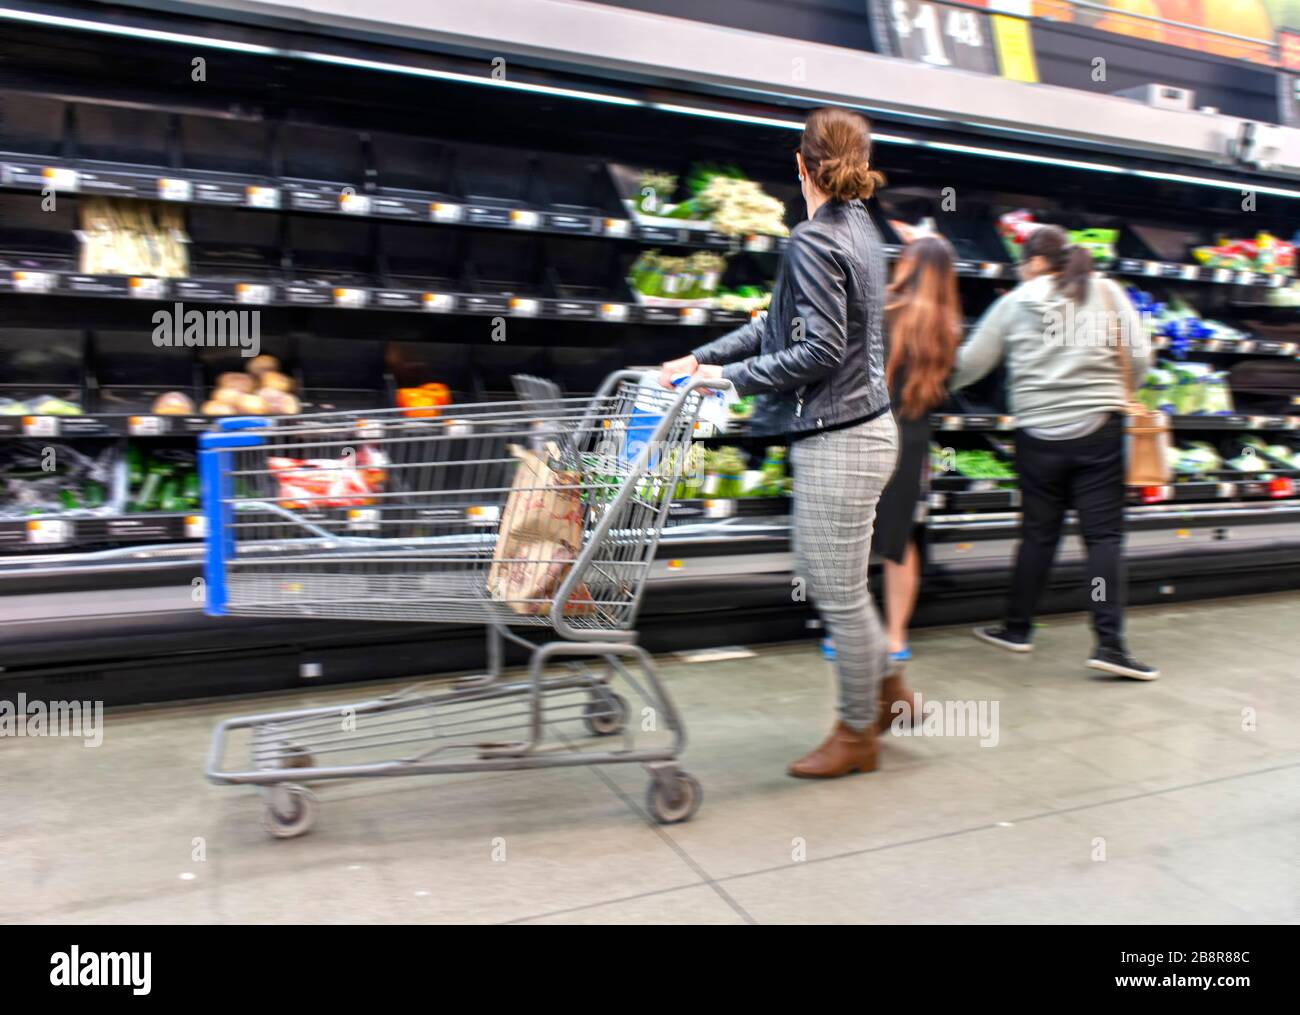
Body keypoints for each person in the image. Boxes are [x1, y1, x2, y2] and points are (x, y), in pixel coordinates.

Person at [660, 106, 898, 778]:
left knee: (836, 590)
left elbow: (816, 348)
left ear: (800, 165)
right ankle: (890, 696)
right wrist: (701, 361)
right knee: (844, 583)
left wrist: (724, 379)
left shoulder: (813, 239)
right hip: (868, 429)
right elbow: (778, 325)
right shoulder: (860, 231)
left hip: (840, 436)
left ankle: (858, 734)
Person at [948, 224, 1158, 680]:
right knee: (1102, 539)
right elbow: (1140, 357)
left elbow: (971, 364)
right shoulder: (1105, 291)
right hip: (1098, 429)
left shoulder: (1014, 301)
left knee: (1038, 535)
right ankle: (1110, 644)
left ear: (1033, 263)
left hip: (1037, 436)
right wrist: (1122, 394)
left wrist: (929, 388)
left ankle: (1017, 629)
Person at [874, 235, 962, 693]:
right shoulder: (948, 327)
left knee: (852, 534)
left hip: (869, 431)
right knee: (899, 539)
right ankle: (896, 637)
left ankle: (843, 629)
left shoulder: (884, 311)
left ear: (907, 266)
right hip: (912, 439)